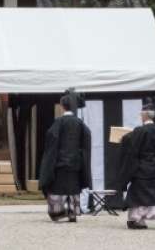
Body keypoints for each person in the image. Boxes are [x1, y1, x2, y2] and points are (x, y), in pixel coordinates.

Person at [39, 89, 92, 222]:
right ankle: (73, 213)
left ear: (62, 106)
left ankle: (58, 213)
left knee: (58, 189)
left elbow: (51, 140)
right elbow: (86, 139)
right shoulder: (80, 123)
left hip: (60, 163)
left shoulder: (59, 122)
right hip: (75, 163)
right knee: (73, 189)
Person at [117, 100, 155, 230]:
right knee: (154, 194)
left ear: (145, 115)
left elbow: (132, 149)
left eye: (141, 114)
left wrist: (122, 139)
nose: (140, 116)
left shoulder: (139, 131)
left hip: (141, 168)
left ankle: (135, 219)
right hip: (153, 167)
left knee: (136, 194)